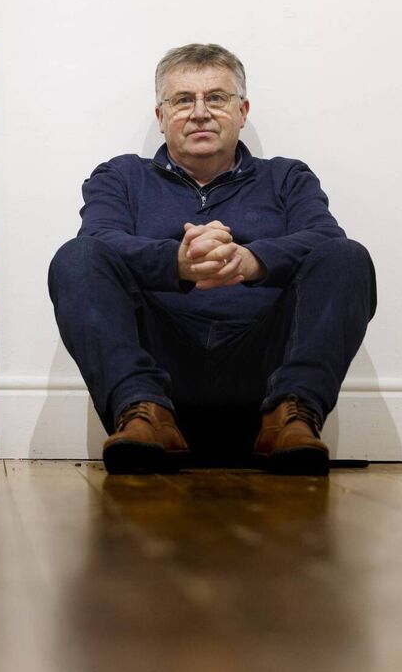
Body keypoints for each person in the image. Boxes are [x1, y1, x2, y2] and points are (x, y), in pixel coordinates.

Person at [47, 44, 377, 475]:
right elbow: (100, 240)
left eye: (216, 98)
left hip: (264, 379)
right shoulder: (121, 177)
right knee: (77, 257)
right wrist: (177, 263)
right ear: (161, 116)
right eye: (183, 100)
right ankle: (142, 413)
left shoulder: (287, 177)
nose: (200, 112)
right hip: (158, 378)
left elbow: (323, 238)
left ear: (242, 111)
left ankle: (291, 418)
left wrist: (250, 260)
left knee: (346, 255)